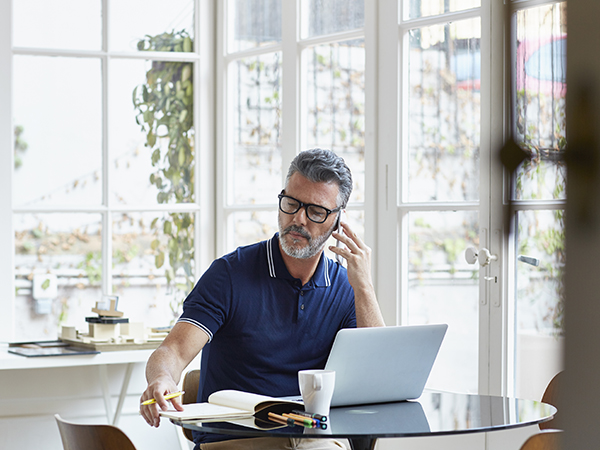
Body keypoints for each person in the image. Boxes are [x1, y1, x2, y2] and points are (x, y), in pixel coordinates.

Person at [140, 148, 385, 449]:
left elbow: (376, 381)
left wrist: (365, 288)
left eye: (316, 211)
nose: (298, 219)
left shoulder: (346, 287)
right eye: (291, 204)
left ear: (338, 221)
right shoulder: (229, 275)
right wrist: (162, 379)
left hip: (313, 438)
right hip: (238, 439)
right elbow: (174, 350)